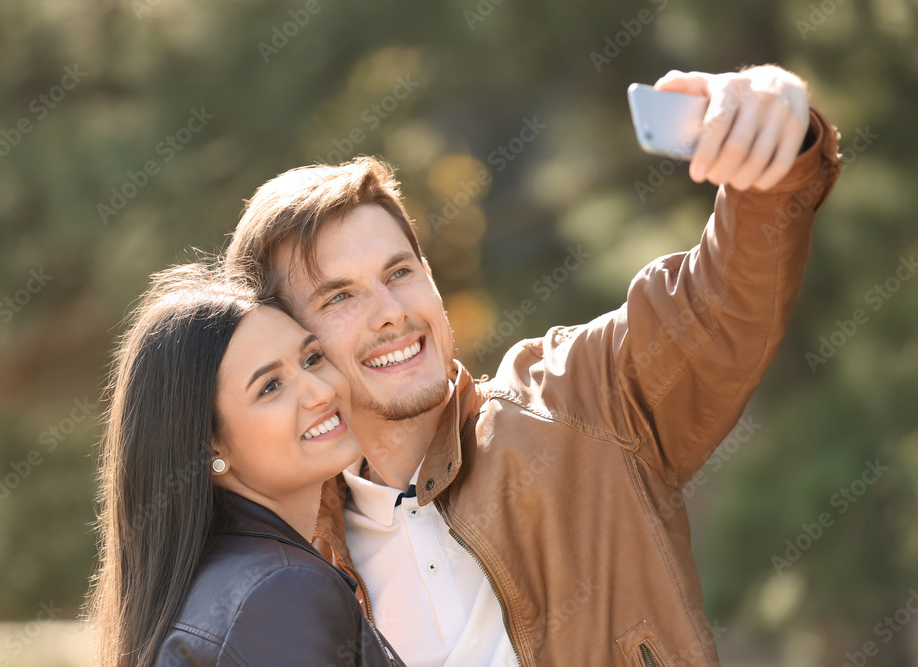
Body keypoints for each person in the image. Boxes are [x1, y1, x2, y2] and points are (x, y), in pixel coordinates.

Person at [223, 65, 843, 666]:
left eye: (400, 272)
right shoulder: (302, 565)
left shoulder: (580, 398)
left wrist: (775, 148)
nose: (390, 312)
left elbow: (724, 304)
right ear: (293, 345)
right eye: (340, 297)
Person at [85, 261, 403, 666]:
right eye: (270, 386)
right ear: (211, 447)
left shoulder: (215, 583)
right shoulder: (281, 590)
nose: (320, 392)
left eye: (312, 358)